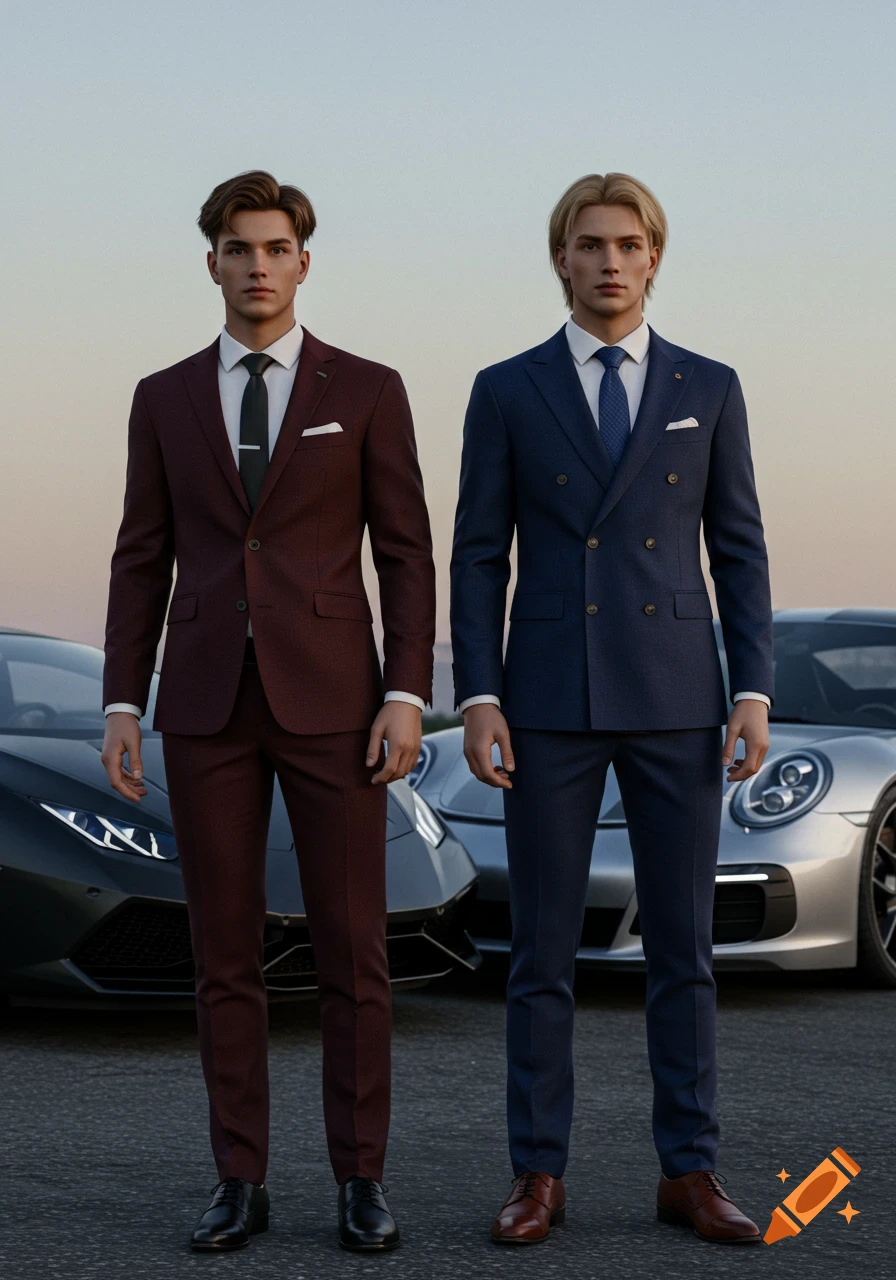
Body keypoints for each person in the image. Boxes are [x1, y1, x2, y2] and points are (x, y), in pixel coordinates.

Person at [101, 170, 435, 1254]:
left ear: (303, 259)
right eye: (237, 247)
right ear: (212, 262)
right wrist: (120, 695)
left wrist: (403, 690)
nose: (256, 264)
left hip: (336, 701)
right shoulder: (162, 396)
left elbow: (404, 550)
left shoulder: (369, 387)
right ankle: (236, 1176)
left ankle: (359, 1177)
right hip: (202, 703)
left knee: (352, 951)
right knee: (224, 954)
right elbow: (140, 554)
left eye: (275, 246)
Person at [450, 172, 773, 1246]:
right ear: (559, 258)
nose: (607, 261)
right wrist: (480, 691)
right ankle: (535, 1172)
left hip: (678, 692)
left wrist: (752, 686)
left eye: (626, 243)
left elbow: (736, 548)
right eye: (587, 243)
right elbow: (478, 551)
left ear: (652, 258)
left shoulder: (709, 384)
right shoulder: (504, 388)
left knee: (682, 945)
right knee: (540, 950)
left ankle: (688, 1168)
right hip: (545, 694)